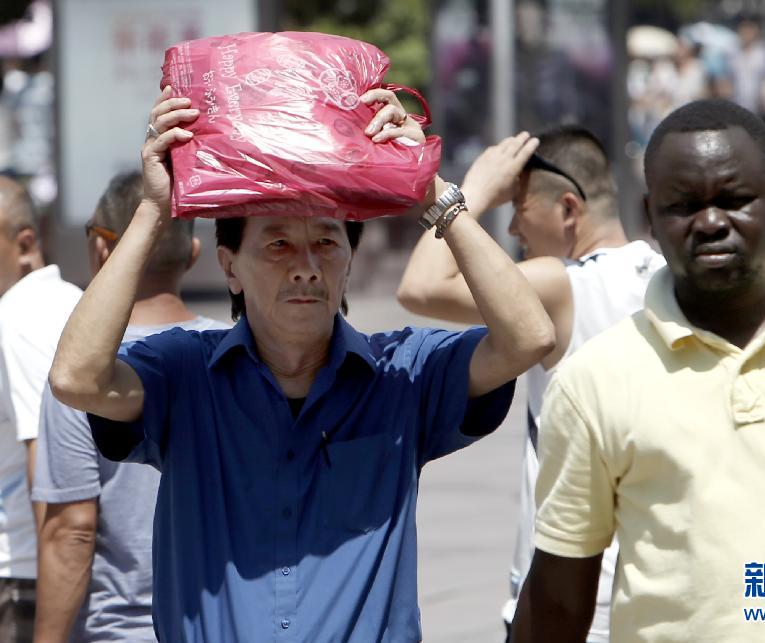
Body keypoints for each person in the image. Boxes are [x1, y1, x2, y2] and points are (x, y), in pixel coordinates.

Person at [48, 86, 554, 642]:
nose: (306, 266)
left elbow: (528, 338)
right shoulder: (183, 374)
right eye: (278, 245)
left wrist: (431, 190)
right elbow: (76, 378)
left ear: (349, 261)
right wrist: (152, 210)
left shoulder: (403, 374)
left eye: (327, 243)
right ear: (230, 267)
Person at [511, 99, 765, 642]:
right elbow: (558, 596)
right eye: (684, 205)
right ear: (650, 216)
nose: (712, 222)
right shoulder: (593, 381)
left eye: (735, 200)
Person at [398, 126, 664, 641]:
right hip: (650, 583)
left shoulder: (568, 283)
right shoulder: (664, 277)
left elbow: (422, 286)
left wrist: (470, 193)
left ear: (568, 208)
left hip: (571, 596)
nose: (514, 229)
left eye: (518, 207)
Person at [32, 171, 228, 642]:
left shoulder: (83, 374)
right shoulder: (235, 352)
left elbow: (73, 530)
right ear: (194, 254)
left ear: (102, 250)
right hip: (227, 620)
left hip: (122, 630)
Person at [0, 177, 82, 643]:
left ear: (24, 243)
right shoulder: (71, 300)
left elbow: (48, 460)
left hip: (25, 579)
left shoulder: (21, 316)